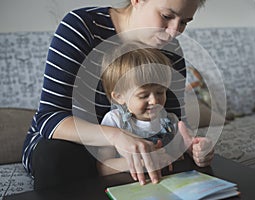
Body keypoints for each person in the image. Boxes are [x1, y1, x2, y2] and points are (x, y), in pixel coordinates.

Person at [22, 0, 214, 189]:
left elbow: (174, 121)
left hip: (140, 151)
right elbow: (50, 119)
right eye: (166, 16)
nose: (174, 32)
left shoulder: (171, 51)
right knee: (56, 157)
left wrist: (194, 148)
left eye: (184, 22)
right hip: (72, 146)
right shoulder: (83, 27)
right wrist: (117, 136)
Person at [98, 43, 183, 176]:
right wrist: (141, 162)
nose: (154, 101)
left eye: (160, 92)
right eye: (143, 95)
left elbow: (179, 157)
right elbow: (103, 167)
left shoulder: (170, 121)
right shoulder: (115, 121)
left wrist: (192, 149)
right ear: (120, 97)